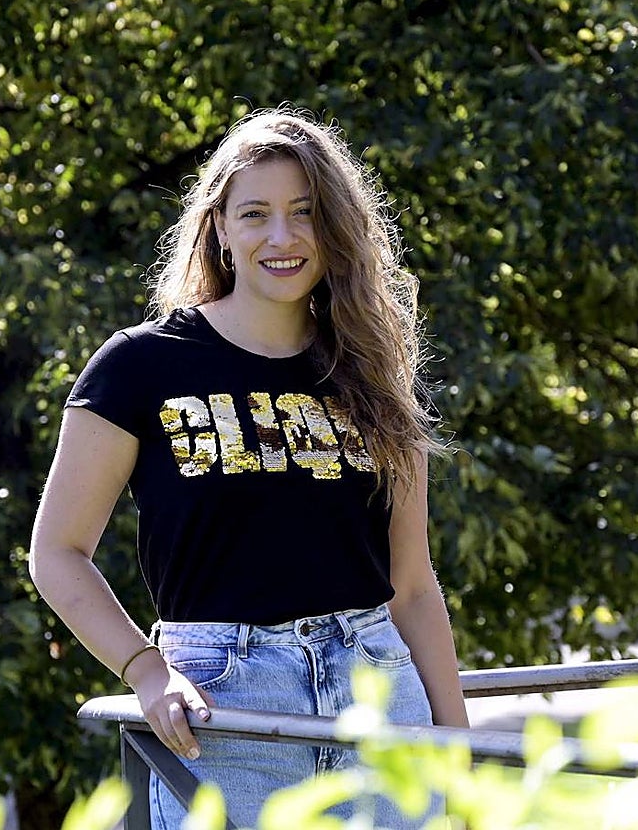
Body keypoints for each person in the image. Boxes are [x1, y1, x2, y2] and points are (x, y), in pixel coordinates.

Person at [29, 107, 469, 829]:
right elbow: (56, 552)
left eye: (304, 213)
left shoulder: (373, 374)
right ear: (221, 228)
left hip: (381, 700)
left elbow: (413, 587)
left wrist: (457, 751)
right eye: (256, 213)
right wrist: (145, 670)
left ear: (333, 231)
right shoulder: (141, 365)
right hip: (222, 709)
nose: (282, 237)